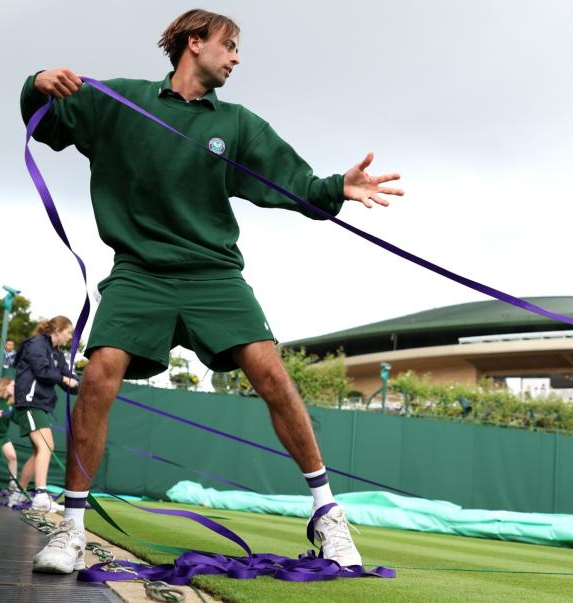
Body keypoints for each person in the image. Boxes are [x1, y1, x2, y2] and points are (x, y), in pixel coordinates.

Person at [20, 8, 403, 574]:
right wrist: (35, 84)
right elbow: (46, 121)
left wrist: (338, 189)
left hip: (213, 274)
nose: (237, 57)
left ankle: (327, 513)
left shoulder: (239, 125)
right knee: (99, 373)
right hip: (139, 272)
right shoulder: (120, 101)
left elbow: (294, 183)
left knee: (271, 374)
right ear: (194, 43)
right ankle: (71, 527)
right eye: (230, 45)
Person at [9, 316, 80, 513]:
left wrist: (81, 384)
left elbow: (68, 376)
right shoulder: (36, 343)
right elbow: (42, 371)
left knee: (39, 451)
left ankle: (17, 494)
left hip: (42, 405)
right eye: (68, 332)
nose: (69, 337)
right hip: (30, 402)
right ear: (57, 329)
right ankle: (40, 494)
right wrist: (66, 379)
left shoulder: (57, 354)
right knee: (47, 446)